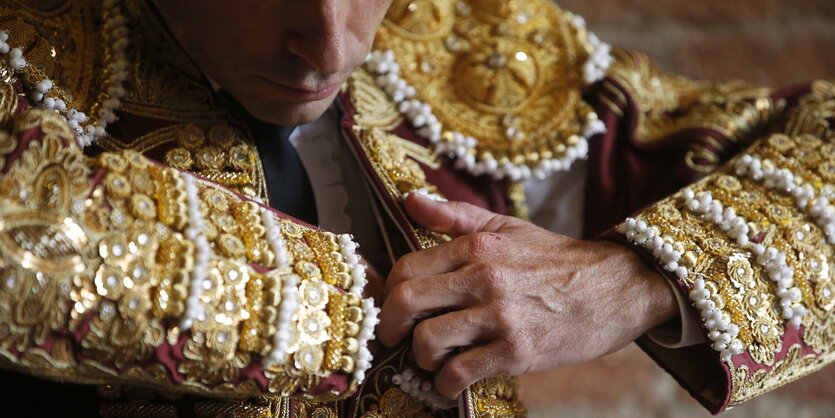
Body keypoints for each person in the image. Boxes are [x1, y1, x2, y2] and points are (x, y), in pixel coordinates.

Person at [0, 0, 831, 416]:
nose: (332, 46)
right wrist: (359, 308)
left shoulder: (454, 37)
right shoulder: (25, 50)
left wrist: (629, 277)